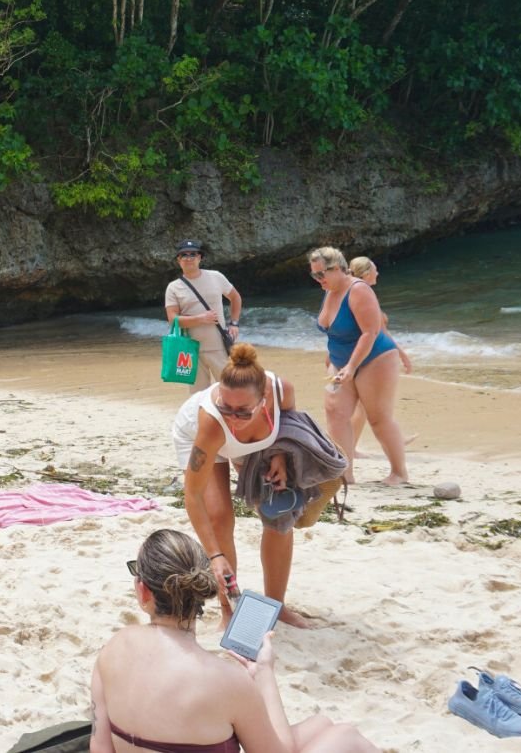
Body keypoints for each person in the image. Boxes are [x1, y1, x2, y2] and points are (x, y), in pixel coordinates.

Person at [89, 529, 379, 753]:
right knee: (345, 736)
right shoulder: (225, 681)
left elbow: (100, 747)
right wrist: (263, 673)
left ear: (143, 592)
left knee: (321, 725)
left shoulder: (111, 651)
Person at [172, 344, 344, 628]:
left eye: (241, 411)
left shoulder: (281, 390)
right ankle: (229, 610)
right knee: (219, 518)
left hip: (257, 442)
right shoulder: (213, 423)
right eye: (225, 406)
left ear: (264, 398)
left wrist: (278, 454)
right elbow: (193, 495)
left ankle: (276, 607)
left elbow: (288, 424)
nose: (232, 417)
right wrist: (214, 556)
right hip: (201, 438)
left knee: (279, 516)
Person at [309, 247, 408, 486]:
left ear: (338, 269)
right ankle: (344, 474)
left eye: (322, 274)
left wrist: (352, 366)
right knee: (335, 413)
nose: (319, 280)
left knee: (378, 418)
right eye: (314, 275)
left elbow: (370, 332)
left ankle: (399, 473)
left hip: (374, 359)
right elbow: (335, 332)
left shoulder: (358, 290)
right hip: (341, 361)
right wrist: (332, 358)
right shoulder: (329, 289)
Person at [347, 257, 416, 456]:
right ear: (367, 273)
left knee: (363, 404)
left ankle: (351, 447)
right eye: (375, 270)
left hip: (357, 354)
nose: (378, 273)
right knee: (368, 405)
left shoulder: (351, 293)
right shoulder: (363, 294)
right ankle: (391, 442)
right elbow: (381, 331)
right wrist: (402, 354)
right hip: (369, 356)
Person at [164, 240, 242, 393]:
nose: (188, 258)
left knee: (230, 391)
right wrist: (200, 318)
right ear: (178, 260)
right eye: (183, 255)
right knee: (198, 396)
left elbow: (235, 298)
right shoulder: (173, 287)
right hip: (190, 350)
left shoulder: (216, 277)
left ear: (199, 257)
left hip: (218, 346)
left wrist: (234, 323)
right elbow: (173, 320)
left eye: (192, 254)